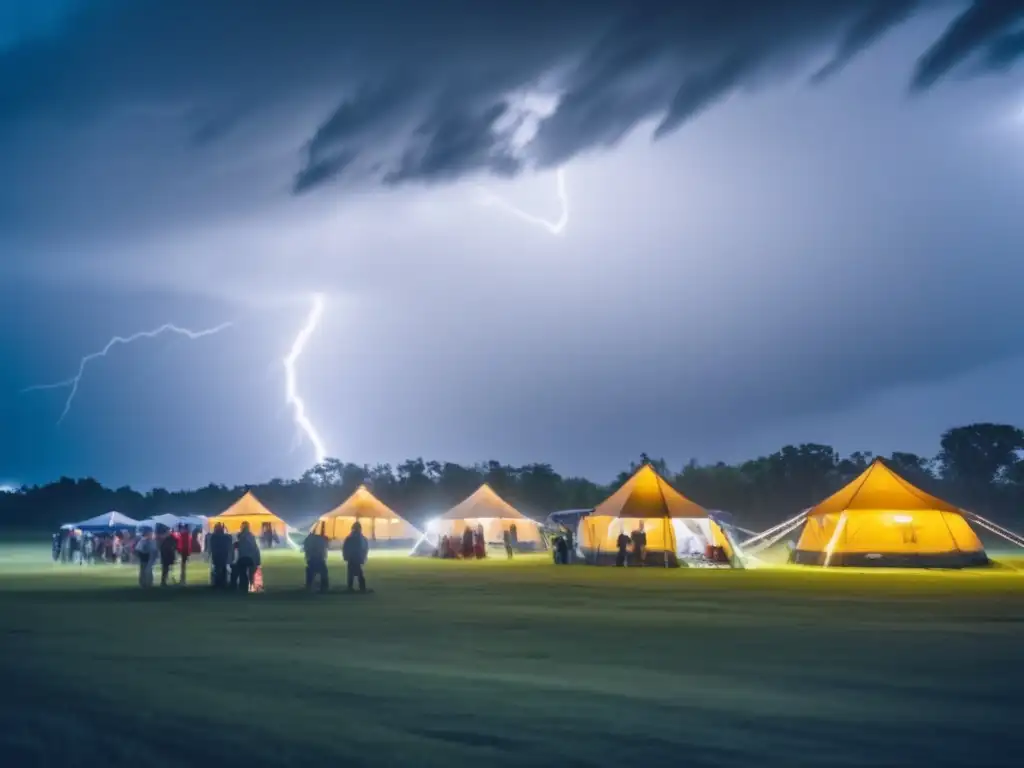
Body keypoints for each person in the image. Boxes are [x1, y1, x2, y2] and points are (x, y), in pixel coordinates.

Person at [342, 521, 369, 593]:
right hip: (356, 557)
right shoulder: (361, 538)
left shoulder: (350, 538)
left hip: (352, 558)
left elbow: (345, 548)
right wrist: (363, 557)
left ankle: (351, 587)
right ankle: (361, 587)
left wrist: (345, 556)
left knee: (351, 573)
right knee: (358, 573)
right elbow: (364, 548)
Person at [234, 522, 261, 593]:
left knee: (243, 573)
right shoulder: (251, 536)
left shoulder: (241, 536)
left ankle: (244, 588)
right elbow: (255, 548)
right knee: (250, 574)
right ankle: (250, 587)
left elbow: (238, 545)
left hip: (243, 558)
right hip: (250, 558)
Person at [303, 522, 330, 592]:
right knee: (323, 573)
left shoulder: (309, 539)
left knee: (311, 573)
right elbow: (325, 547)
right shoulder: (321, 539)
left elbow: (306, 548)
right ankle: (324, 587)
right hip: (319, 558)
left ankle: (309, 586)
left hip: (312, 559)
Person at [208, 523, 232, 588]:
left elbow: (211, 546)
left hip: (217, 556)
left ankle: (218, 584)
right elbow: (229, 541)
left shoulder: (214, 537)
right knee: (222, 569)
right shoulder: (225, 537)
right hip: (223, 555)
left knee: (218, 569)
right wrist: (226, 529)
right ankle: (222, 583)